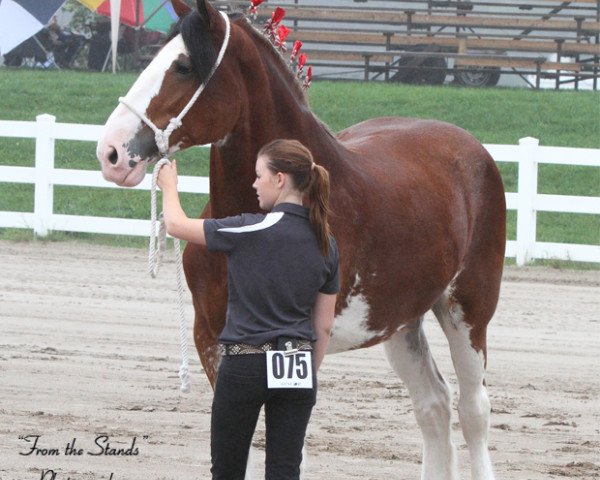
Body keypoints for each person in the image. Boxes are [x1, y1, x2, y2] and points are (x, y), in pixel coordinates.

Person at [157, 138, 339, 480]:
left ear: (280, 179)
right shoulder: (326, 243)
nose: (254, 184)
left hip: (245, 364)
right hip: (298, 364)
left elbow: (177, 226)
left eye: (259, 176)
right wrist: (307, 371)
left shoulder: (250, 228)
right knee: (285, 470)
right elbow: (324, 325)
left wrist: (169, 185)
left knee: (227, 469)